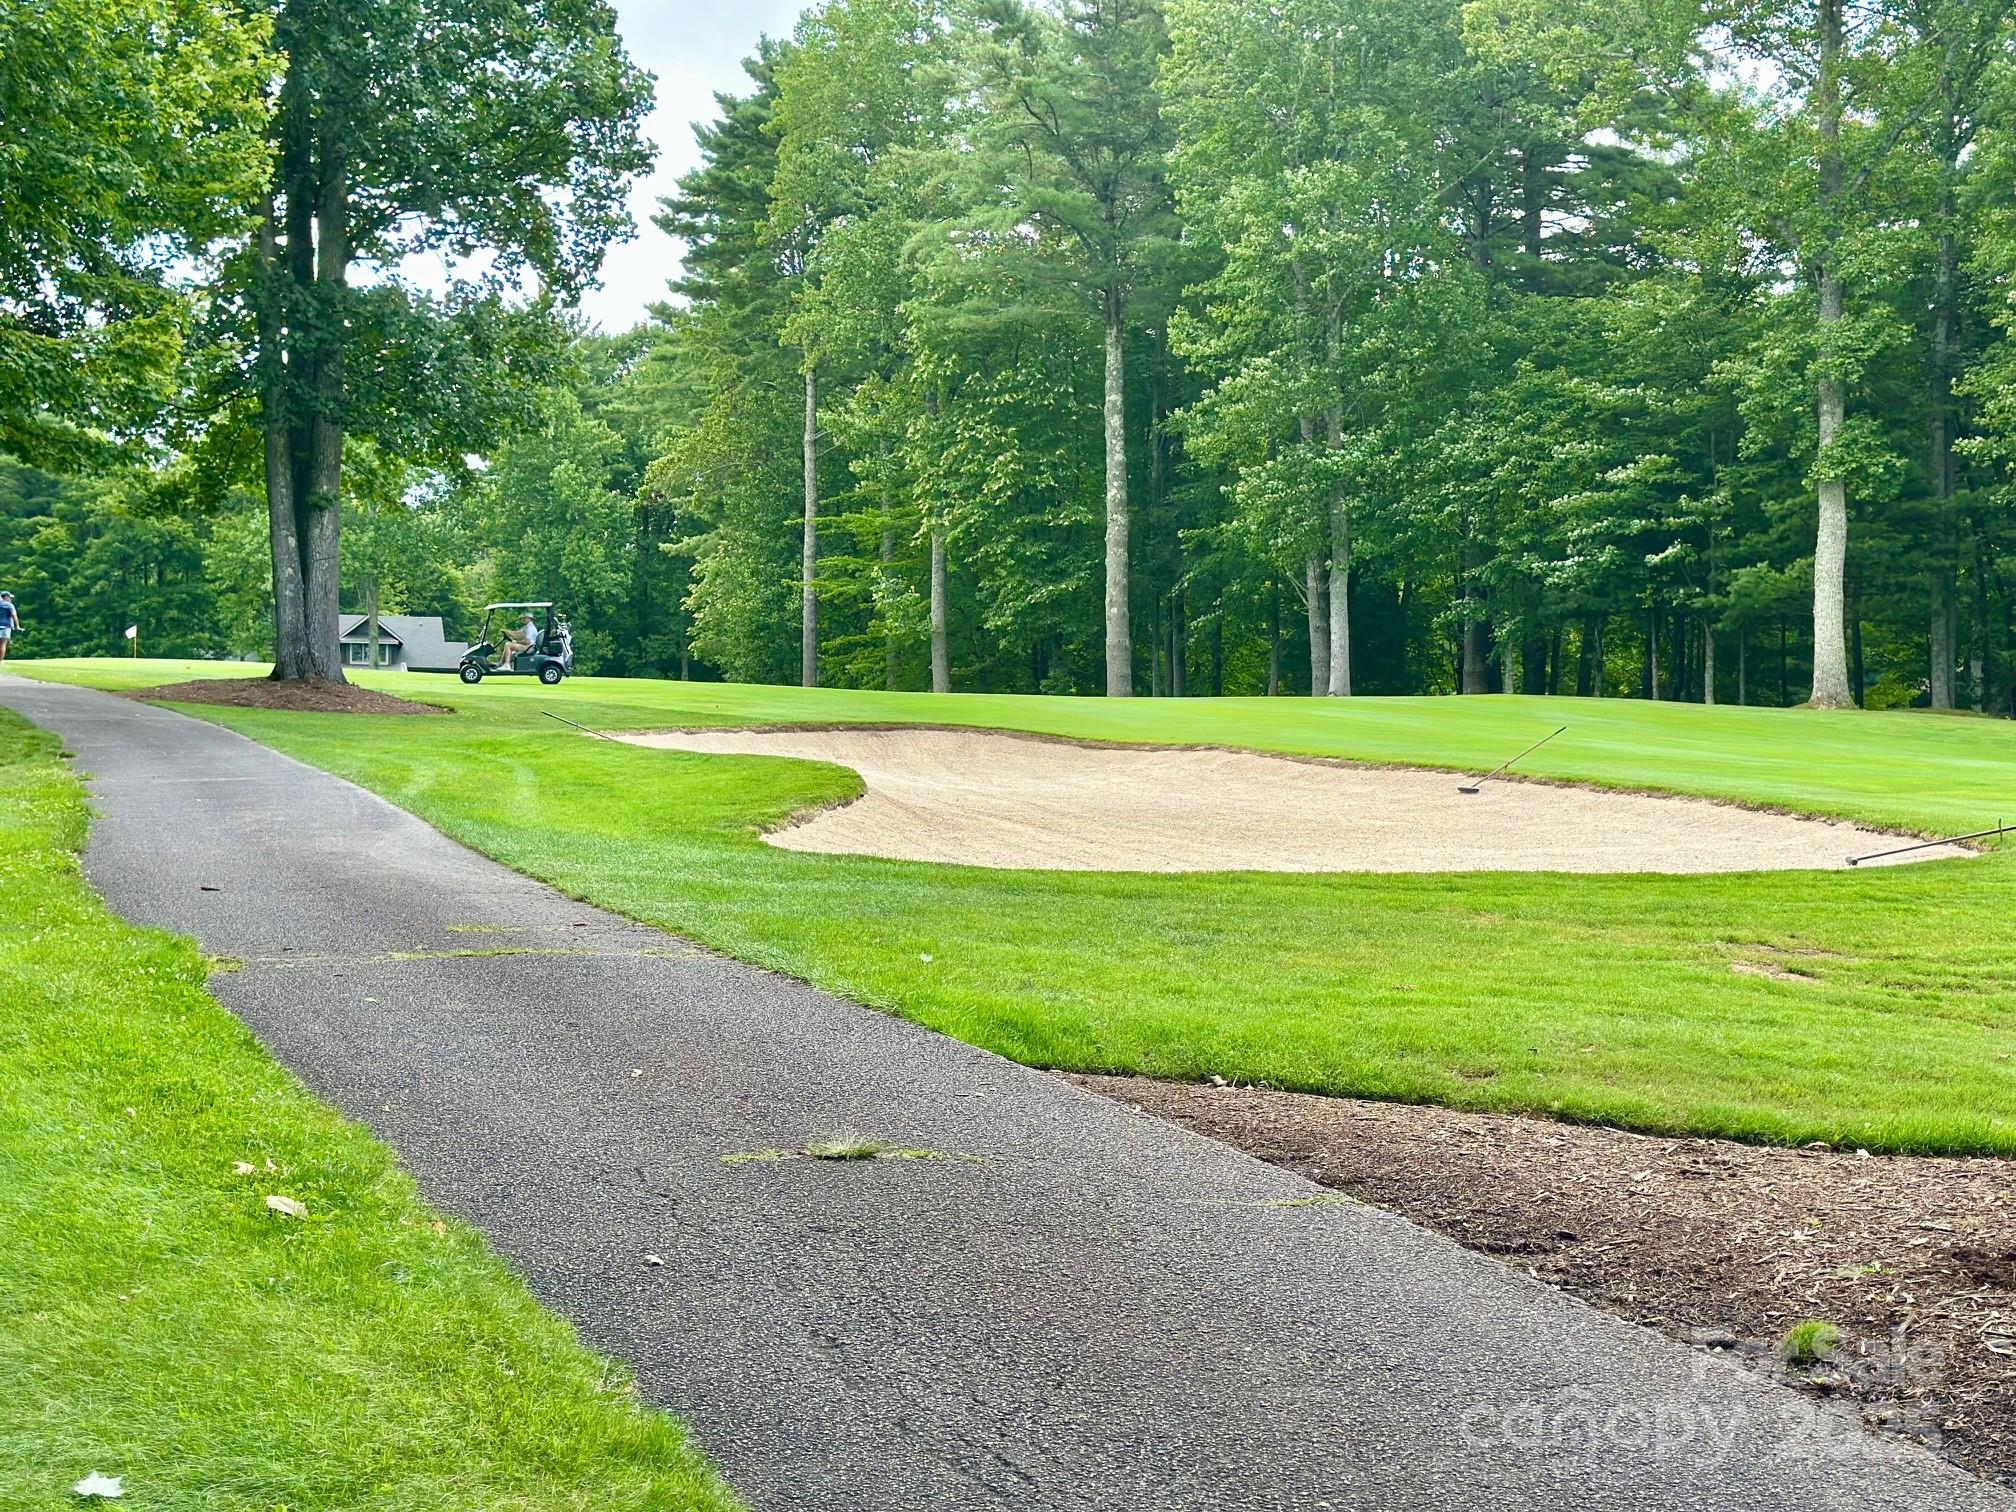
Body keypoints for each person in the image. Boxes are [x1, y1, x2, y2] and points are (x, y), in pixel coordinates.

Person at [0, 592, 18, 663]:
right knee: (3, 644)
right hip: (6, 626)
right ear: (6, 597)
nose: (11, 599)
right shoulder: (9, 605)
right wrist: (17, 626)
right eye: (10, 597)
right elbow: (14, 615)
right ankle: (0, 661)